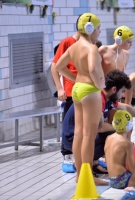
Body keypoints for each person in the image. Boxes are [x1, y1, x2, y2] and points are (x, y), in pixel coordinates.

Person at [61, 70, 135, 174]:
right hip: (72, 138)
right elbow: (100, 127)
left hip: (79, 136)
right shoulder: (98, 99)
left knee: (111, 132)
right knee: (114, 134)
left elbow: (126, 108)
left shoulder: (106, 98)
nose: (122, 96)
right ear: (114, 89)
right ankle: (82, 164)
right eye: (122, 91)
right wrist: (120, 127)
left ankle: (92, 163)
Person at [55, 13, 105, 185]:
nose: (99, 32)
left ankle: (79, 175)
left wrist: (75, 79)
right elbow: (92, 68)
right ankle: (88, 177)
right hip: (90, 90)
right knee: (89, 136)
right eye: (98, 28)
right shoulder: (92, 48)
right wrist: (100, 84)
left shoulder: (74, 47)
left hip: (77, 90)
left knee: (78, 134)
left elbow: (59, 66)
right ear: (90, 29)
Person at [51, 16, 81, 164]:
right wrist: (59, 88)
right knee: (69, 125)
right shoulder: (68, 42)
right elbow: (55, 65)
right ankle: (67, 154)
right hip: (70, 92)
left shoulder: (87, 44)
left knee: (80, 125)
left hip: (84, 92)